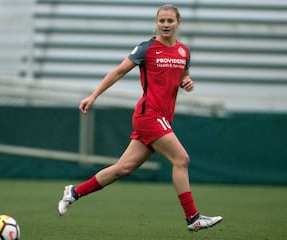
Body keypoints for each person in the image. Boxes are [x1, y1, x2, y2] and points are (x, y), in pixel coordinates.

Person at [57, 4, 222, 231]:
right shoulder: (147, 48)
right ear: (157, 23)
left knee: (123, 168)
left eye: (170, 21)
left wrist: (187, 82)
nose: (165, 25)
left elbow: (184, 76)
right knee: (181, 160)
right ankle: (193, 218)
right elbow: (118, 71)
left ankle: (74, 192)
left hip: (162, 117)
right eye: (161, 21)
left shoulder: (184, 51)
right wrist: (93, 96)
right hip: (148, 115)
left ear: (178, 23)